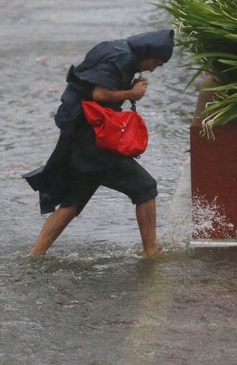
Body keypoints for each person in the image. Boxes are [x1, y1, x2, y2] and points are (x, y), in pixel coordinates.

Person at [24, 29, 175, 258]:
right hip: (95, 142)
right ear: (148, 53)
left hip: (83, 137)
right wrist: (132, 93)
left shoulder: (115, 48)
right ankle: (151, 252)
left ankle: (36, 254)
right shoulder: (121, 57)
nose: (153, 69)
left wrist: (127, 88)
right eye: (156, 63)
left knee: (73, 202)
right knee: (145, 188)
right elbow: (100, 94)